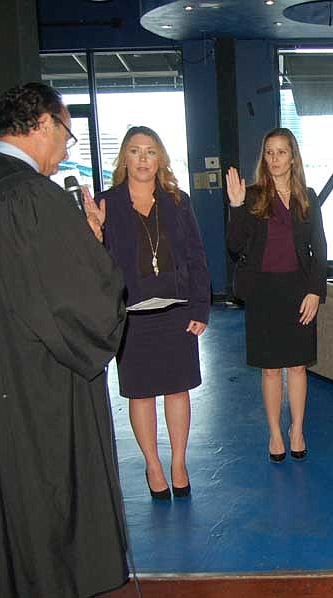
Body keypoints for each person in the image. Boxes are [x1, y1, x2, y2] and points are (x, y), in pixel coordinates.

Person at [0, 83, 128, 596]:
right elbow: (86, 305)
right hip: (33, 394)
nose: (65, 152)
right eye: (68, 137)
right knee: (43, 524)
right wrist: (93, 243)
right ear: (44, 124)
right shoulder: (31, 197)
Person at [96, 126, 211, 500]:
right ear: (124, 159)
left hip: (176, 312)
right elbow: (97, 265)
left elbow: (196, 256)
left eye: (150, 151)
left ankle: (178, 462)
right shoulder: (107, 204)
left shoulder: (178, 201)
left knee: (178, 391)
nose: (143, 158)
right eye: (134, 151)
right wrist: (94, 234)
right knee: (140, 395)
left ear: (160, 158)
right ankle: (153, 464)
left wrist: (200, 306)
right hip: (131, 316)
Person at [226, 128, 327, 462]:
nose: (274, 159)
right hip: (263, 292)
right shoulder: (252, 196)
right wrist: (237, 206)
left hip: (299, 290)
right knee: (271, 370)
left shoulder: (307, 197)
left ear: (293, 157)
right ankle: (274, 433)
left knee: (298, 367)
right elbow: (235, 245)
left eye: (281, 152)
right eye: (269, 152)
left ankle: (297, 429)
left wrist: (315, 290)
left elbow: (319, 248)